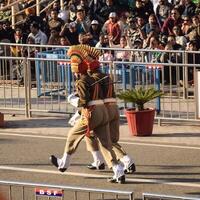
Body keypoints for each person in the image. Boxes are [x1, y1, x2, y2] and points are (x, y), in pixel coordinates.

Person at [50, 45, 126, 184]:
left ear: (77, 71)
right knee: (106, 144)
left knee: (72, 135)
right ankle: (118, 171)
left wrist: (73, 100)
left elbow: (84, 101)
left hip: (92, 113)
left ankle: (63, 164)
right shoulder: (93, 79)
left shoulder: (82, 81)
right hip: (103, 111)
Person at [80, 45, 136, 174]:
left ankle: (126, 161)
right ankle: (98, 161)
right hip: (113, 107)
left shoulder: (93, 79)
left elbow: (94, 96)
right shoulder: (107, 76)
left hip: (102, 109)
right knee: (91, 135)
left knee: (106, 139)